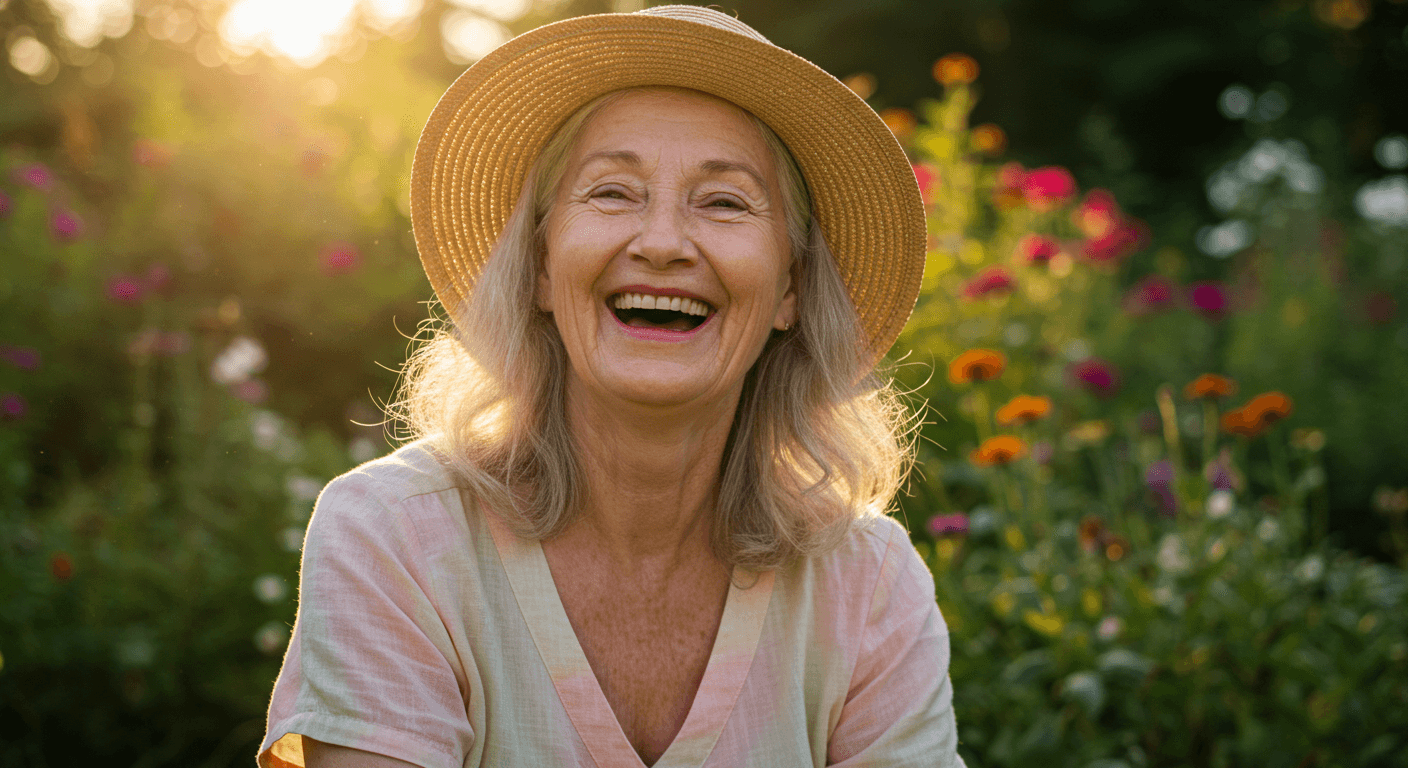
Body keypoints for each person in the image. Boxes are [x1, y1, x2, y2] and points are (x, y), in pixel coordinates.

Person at [258, 5, 963, 767]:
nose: (661, 244)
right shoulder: (394, 536)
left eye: (724, 201)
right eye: (612, 192)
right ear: (538, 267)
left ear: (791, 288)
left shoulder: (869, 582)